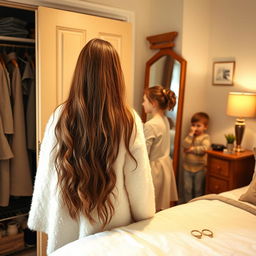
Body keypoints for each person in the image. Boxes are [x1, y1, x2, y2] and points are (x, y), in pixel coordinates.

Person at [27, 39, 155, 254]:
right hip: (111, 218)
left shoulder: (61, 115)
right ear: (116, 74)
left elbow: (46, 171)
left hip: (67, 214)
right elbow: (138, 177)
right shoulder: (128, 119)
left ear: (81, 72)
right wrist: (145, 215)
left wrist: (43, 212)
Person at [142, 85, 178, 212]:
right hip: (164, 165)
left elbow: (144, 154)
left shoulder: (151, 125)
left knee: (152, 204)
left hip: (154, 169)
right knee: (160, 204)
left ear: (154, 103)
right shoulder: (165, 120)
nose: (142, 103)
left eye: (145, 100)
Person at [183, 112, 211, 202]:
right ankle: (188, 205)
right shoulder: (190, 136)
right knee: (187, 188)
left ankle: (196, 204)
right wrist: (190, 135)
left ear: (205, 127)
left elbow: (205, 148)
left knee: (198, 189)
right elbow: (185, 145)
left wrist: (192, 149)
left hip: (199, 168)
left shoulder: (205, 137)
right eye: (193, 125)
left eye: (198, 125)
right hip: (187, 168)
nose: (195, 128)